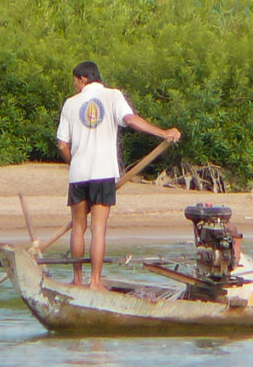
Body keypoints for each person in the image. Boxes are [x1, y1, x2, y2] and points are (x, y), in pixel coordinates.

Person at [56, 61, 181, 289]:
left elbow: (62, 144)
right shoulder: (113, 96)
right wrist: (162, 132)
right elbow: (130, 120)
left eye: (75, 81)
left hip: (78, 174)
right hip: (102, 172)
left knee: (78, 227)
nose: (74, 86)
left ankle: (76, 280)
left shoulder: (70, 104)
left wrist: (74, 163)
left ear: (84, 79)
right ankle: (94, 281)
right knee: (99, 229)